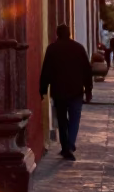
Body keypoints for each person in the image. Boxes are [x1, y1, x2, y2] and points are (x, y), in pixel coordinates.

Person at [39, 23, 93, 161]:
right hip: (76, 91)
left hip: (59, 91)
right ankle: (70, 144)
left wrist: (43, 89)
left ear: (57, 34)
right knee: (75, 118)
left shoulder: (52, 49)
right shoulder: (79, 48)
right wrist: (88, 90)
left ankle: (65, 146)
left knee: (62, 120)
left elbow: (46, 71)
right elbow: (87, 71)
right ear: (69, 34)